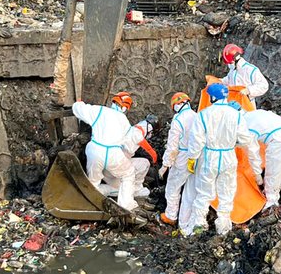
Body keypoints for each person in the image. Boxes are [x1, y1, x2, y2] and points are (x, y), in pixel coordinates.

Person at [183, 83, 262, 236]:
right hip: (228, 157)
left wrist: (192, 159)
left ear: (212, 97)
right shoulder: (236, 114)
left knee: (204, 193)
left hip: (209, 157)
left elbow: (196, 141)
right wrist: (234, 143)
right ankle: (223, 229)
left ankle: (198, 226)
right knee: (227, 193)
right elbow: (246, 139)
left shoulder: (204, 114)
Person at [72, 92, 138, 211]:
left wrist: (78, 103)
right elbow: (129, 145)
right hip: (114, 153)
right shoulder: (124, 121)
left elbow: (78, 110)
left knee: (93, 181)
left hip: (95, 150)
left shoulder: (100, 111)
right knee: (128, 174)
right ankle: (125, 206)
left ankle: (91, 203)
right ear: (125, 108)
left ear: (113, 102)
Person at [244, 109, 281, 211]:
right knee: (278, 171)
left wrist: (257, 175)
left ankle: (271, 204)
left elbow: (253, 154)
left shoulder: (246, 127)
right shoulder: (254, 114)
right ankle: (272, 197)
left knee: (273, 173)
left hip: (280, 142)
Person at [159, 92, 198, 226]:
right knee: (191, 190)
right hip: (196, 156)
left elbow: (172, 147)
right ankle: (188, 221)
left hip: (182, 157)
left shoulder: (178, 120)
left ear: (176, 104)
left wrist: (165, 166)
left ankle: (171, 215)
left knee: (173, 188)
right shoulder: (197, 116)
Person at [102, 115, 159, 199]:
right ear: (150, 129)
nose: (151, 135)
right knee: (144, 163)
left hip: (105, 167)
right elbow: (151, 152)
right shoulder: (138, 134)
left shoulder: (130, 129)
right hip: (113, 172)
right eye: (151, 133)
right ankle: (135, 190)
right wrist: (155, 160)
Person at [221, 43, 269, 108]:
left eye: (230, 63)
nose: (229, 64)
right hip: (233, 102)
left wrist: (249, 90)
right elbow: (229, 79)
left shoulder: (250, 70)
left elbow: (264, 86)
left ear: (236, 59)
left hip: (247, 104)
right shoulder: (233, 69)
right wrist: (220, 81)